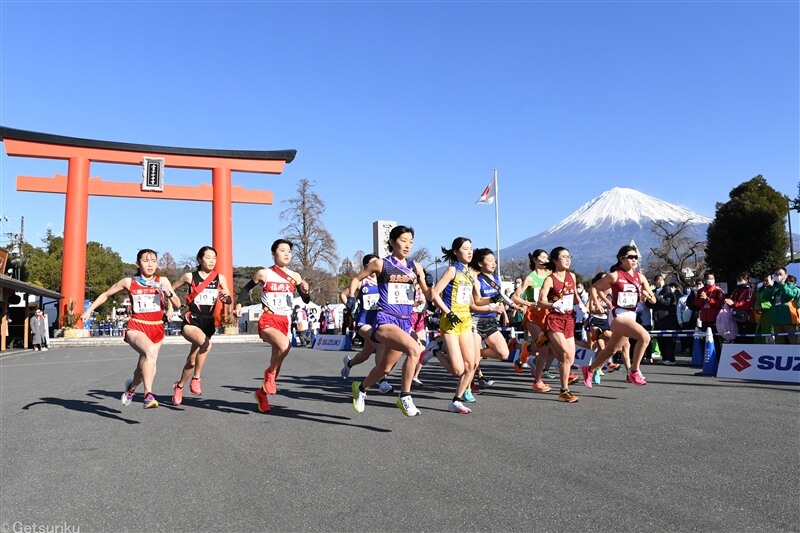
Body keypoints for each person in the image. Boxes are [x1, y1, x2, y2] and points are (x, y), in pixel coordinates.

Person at [81, 249, 181, 409]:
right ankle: (148, 395)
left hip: (157, 328)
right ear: (138, 264)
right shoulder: (129, 282)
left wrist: (168, 295)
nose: (150, 264)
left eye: (153, 260)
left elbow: (177, 304)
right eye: (146, 260)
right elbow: (106, 294)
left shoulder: (162, 280)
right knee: (151, 353)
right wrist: (89, 310)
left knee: (143, 368)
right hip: (137, 326)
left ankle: (131, 388)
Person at [350, 225, 430, 417]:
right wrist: (352, 297)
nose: (407, 245)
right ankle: (405, 397)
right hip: (386, 320)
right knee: (414, 349)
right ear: (392, 242)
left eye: (410, 241)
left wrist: (435, 291)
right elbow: (356, 279)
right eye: (403, 240)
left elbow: (428, 292)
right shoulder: (380, 264)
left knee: (384, 368)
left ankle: (360, 388)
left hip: (405, 322)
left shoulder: (415, 267)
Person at [235, 239, 312, 414]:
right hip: (268, 319)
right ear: (273, 253)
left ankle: (261, 394)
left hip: (285, 321)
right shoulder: (264, 273)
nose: (286, 254)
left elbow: (306, 300)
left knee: (278, 363)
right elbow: (246, 289)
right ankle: (268, 374)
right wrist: (239, 304)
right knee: (285, 346)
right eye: (282, 250)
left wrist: (306, 291)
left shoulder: (295, 276)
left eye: (289, 251)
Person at [581, 245, 657, 389]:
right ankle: (634, 372)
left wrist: (647, 296)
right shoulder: (615, 275)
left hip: (631, 316)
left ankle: (589, 369)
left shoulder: (640, 277)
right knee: (645, 337)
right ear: (621, 259)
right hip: (618, 316)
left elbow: (654, 300)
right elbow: (594, 287)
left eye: (636, 257)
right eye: (631, 257)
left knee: (612, 349)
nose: (634, 260)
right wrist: (596, 303)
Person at [168, 246, 232, 406]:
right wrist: (170, 307)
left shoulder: (220, 278)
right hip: (192, 320)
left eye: (214, 258)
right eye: (208, 257)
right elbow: (170, 289)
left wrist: (228, 300)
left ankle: (179, 386)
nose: (211, 261)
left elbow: (228, 296)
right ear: (200, 259)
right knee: (206, 345)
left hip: (208, 322)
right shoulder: (190, 277)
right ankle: (196, 379)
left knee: (191, 360)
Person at [430, 237, 488, 414]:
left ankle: (456, 400)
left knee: (471, 365)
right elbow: (434, 294)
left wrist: (493, 300)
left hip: (466, 321)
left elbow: (476, 300)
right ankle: (434, 351)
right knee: (458, 369)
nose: (469, 251)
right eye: (465, 248)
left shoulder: (471, 273)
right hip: (450, 321)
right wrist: (448, 312)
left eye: (471, 248)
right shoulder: (452, 270)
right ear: (455, 252)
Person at [340, 254, 394, 394]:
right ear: (366, 267)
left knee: (365, 355)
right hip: (363, 322)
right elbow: (343, 294)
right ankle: (382, 381)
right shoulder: (362, 282)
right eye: (372, 263)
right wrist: (350, 304)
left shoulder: (384, 281)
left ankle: (349, 363)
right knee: (381, 345)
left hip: (379, 323)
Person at [538, 247, 584, 403]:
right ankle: (564, 391)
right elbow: (541, 301)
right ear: (555, 261)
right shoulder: (550, 279)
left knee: (569, 358)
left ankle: (542, 343)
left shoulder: (572, 276)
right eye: (564, 257)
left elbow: (574, 296)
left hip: (569, 320)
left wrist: (583, 305)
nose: (568, 259)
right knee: (565, 354)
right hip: (555, 320)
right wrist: (553, 305)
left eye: (569, 256)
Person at [511, 249, 556, 391]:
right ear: (535, 260)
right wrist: (529, 304)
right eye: (542, 257)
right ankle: (538, 381)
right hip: (533, 316)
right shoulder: (531, 277)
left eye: (547, 257)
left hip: (547, 315)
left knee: (552, 348)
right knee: (544, 347)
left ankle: (527, 348)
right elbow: (515, 297)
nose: (546, 259)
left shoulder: (550, 275)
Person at [469, 248, 509, 389]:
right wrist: (491, 306)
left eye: (494, 261)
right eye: (490, 260)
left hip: (490, 320)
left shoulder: (497, 279)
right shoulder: (476, 279)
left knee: (503, 353)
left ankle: (474, 353)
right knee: (472, 361)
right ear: (480, 263)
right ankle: (468, 387)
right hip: (475, 320)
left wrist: (504, 312)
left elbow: (500, 300)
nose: (493, 263)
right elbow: (474, 304)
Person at [763, 267, 800, 344]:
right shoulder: (775, 288)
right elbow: (767, 297)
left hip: (790, 320)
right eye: (776, 274)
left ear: (786, 276)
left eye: (780, 274)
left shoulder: (793, 287)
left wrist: (782, 284)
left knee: (794, 342)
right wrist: (770, 286)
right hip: (777, 320)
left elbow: (789, 296)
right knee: (780, 344)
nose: (778, 276)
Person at [650, 282, 679, 364]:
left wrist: (655, 296)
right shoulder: (654, 291)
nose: (659, 282)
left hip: (666, 319)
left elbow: (666, 302)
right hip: (657, 319)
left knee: (668, 339)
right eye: (657, 280)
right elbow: (651, 305)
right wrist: (649, 297)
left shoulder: (668, 291)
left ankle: (670, 358)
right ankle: (664, 357)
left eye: (661, 280)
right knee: (660, 339)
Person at [725, 273, 756, 344]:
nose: (739, 281)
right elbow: (731, 300)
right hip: (735, 317)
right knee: (737, 339)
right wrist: (728, 302)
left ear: (747, 280)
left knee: (746, 339)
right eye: (738, 280)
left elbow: (747, 304)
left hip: (746, 318)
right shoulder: (736, 290)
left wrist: (734, 304)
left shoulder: (749, 291)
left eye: (741, 279)